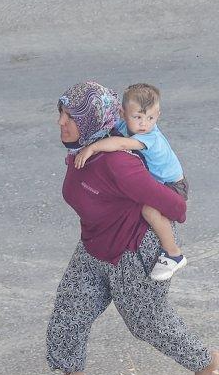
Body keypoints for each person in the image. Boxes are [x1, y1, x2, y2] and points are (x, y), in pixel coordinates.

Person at [20, 81, 219, 375]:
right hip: (94, 245)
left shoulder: (119, 162)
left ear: (91, 121)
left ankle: (208, 366)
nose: (62, 123)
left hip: (133, 251)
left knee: (146, 322)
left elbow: (176, 208)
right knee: (70, 309)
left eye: (71, 117)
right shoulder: (83, 148)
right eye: (60, 114)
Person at [74, 83, 188, 281]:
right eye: (138, 117)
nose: (144, 124)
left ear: (158, 115)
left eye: (150, 118)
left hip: (172, 185)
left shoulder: (150, 137)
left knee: (148, 210)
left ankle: (173, 253)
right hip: (156, 181)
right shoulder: (123, 126)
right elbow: (111, 132)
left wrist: (91, 149)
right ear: (122, 113)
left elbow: (119, 143)